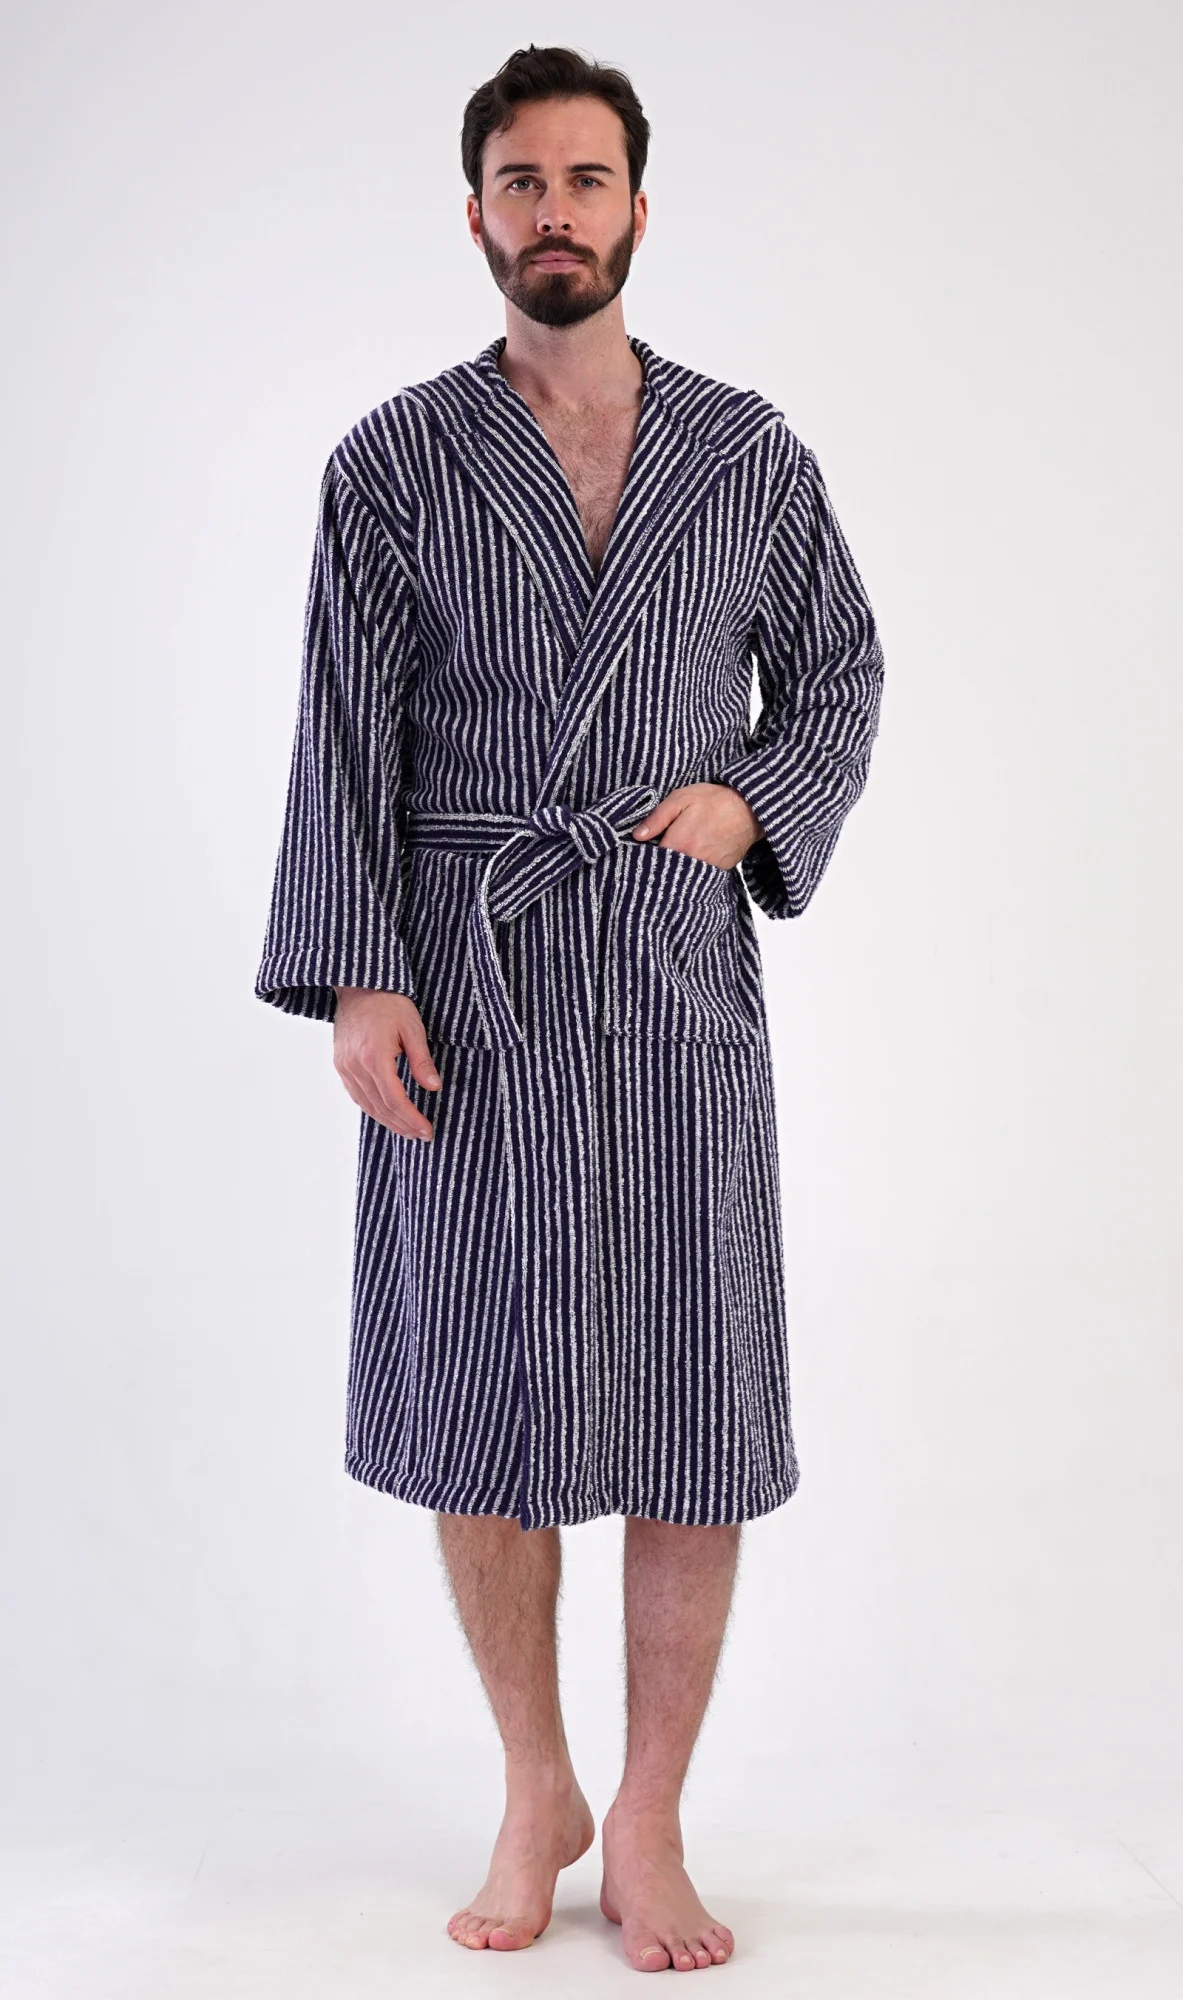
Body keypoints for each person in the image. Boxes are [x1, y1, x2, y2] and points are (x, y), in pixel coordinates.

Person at [254, 43, 884, 1975]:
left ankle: (653, 1816)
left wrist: (754, 802)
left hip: (674, 971)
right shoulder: (393, 461)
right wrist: (360, 974)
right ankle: (536, 1785)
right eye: (520, 181)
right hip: (471, 976)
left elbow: (840, 671)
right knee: (483, 1388)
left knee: (691, 1397)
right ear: (475, 214)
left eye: (584, 179)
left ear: (636, 207)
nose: (553, 212)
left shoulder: (745, 454)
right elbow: (342, 732)